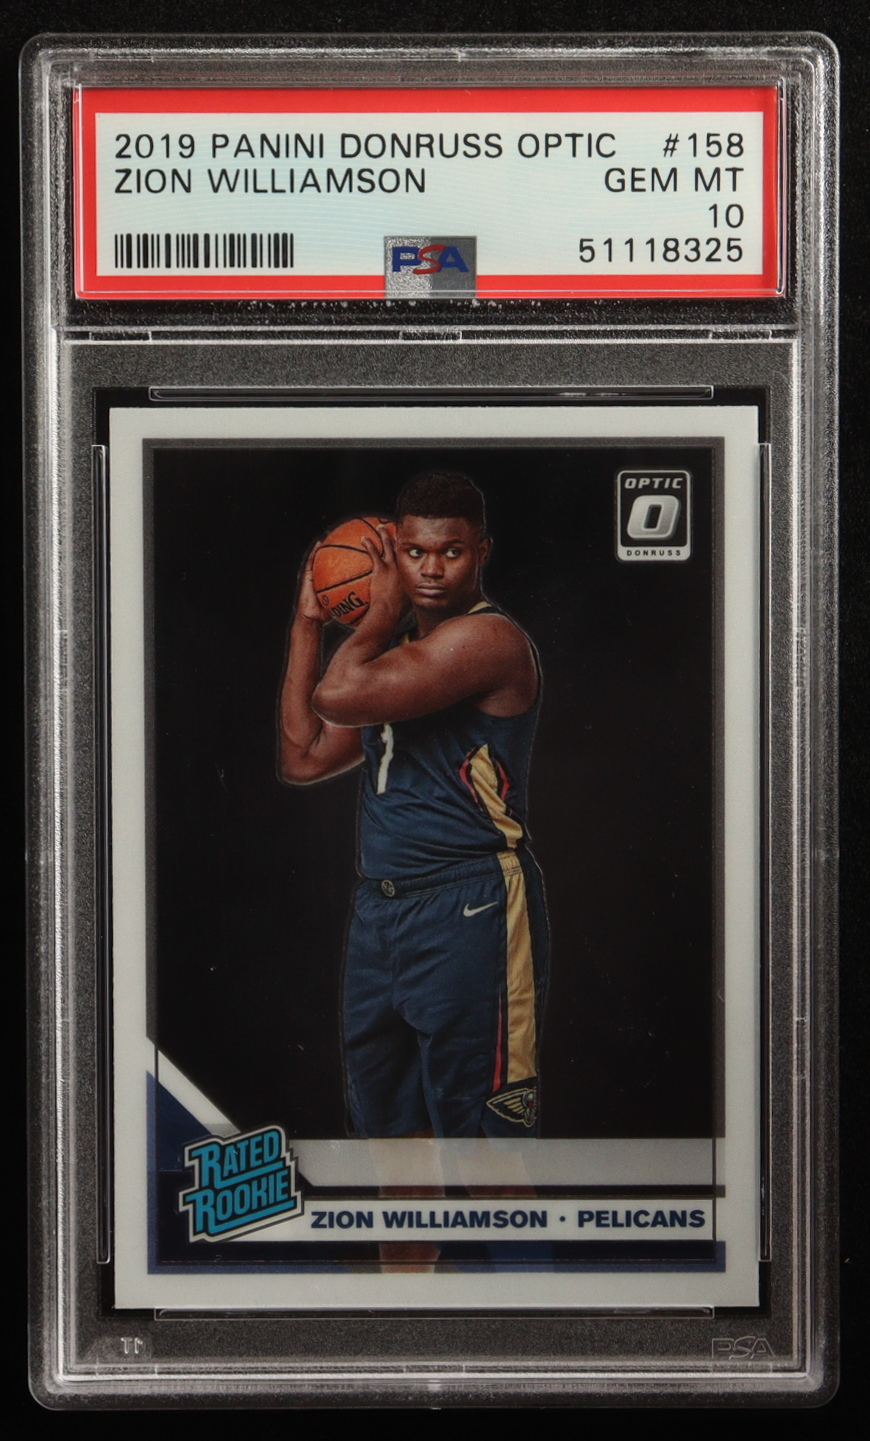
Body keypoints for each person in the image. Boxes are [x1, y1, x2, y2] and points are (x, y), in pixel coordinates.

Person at [278, 470, 548, 1139]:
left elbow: (336, 697)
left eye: (450, 551)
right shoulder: (395, 663)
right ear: (395, 549)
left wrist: (378, 609)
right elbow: (303, 755)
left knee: (488, 1155)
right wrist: (308, 620)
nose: (431, 570)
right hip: (382, 911)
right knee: (393, 1154)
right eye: (415, 551)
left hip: (469, 906)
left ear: (481, 551)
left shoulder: (487, 640)